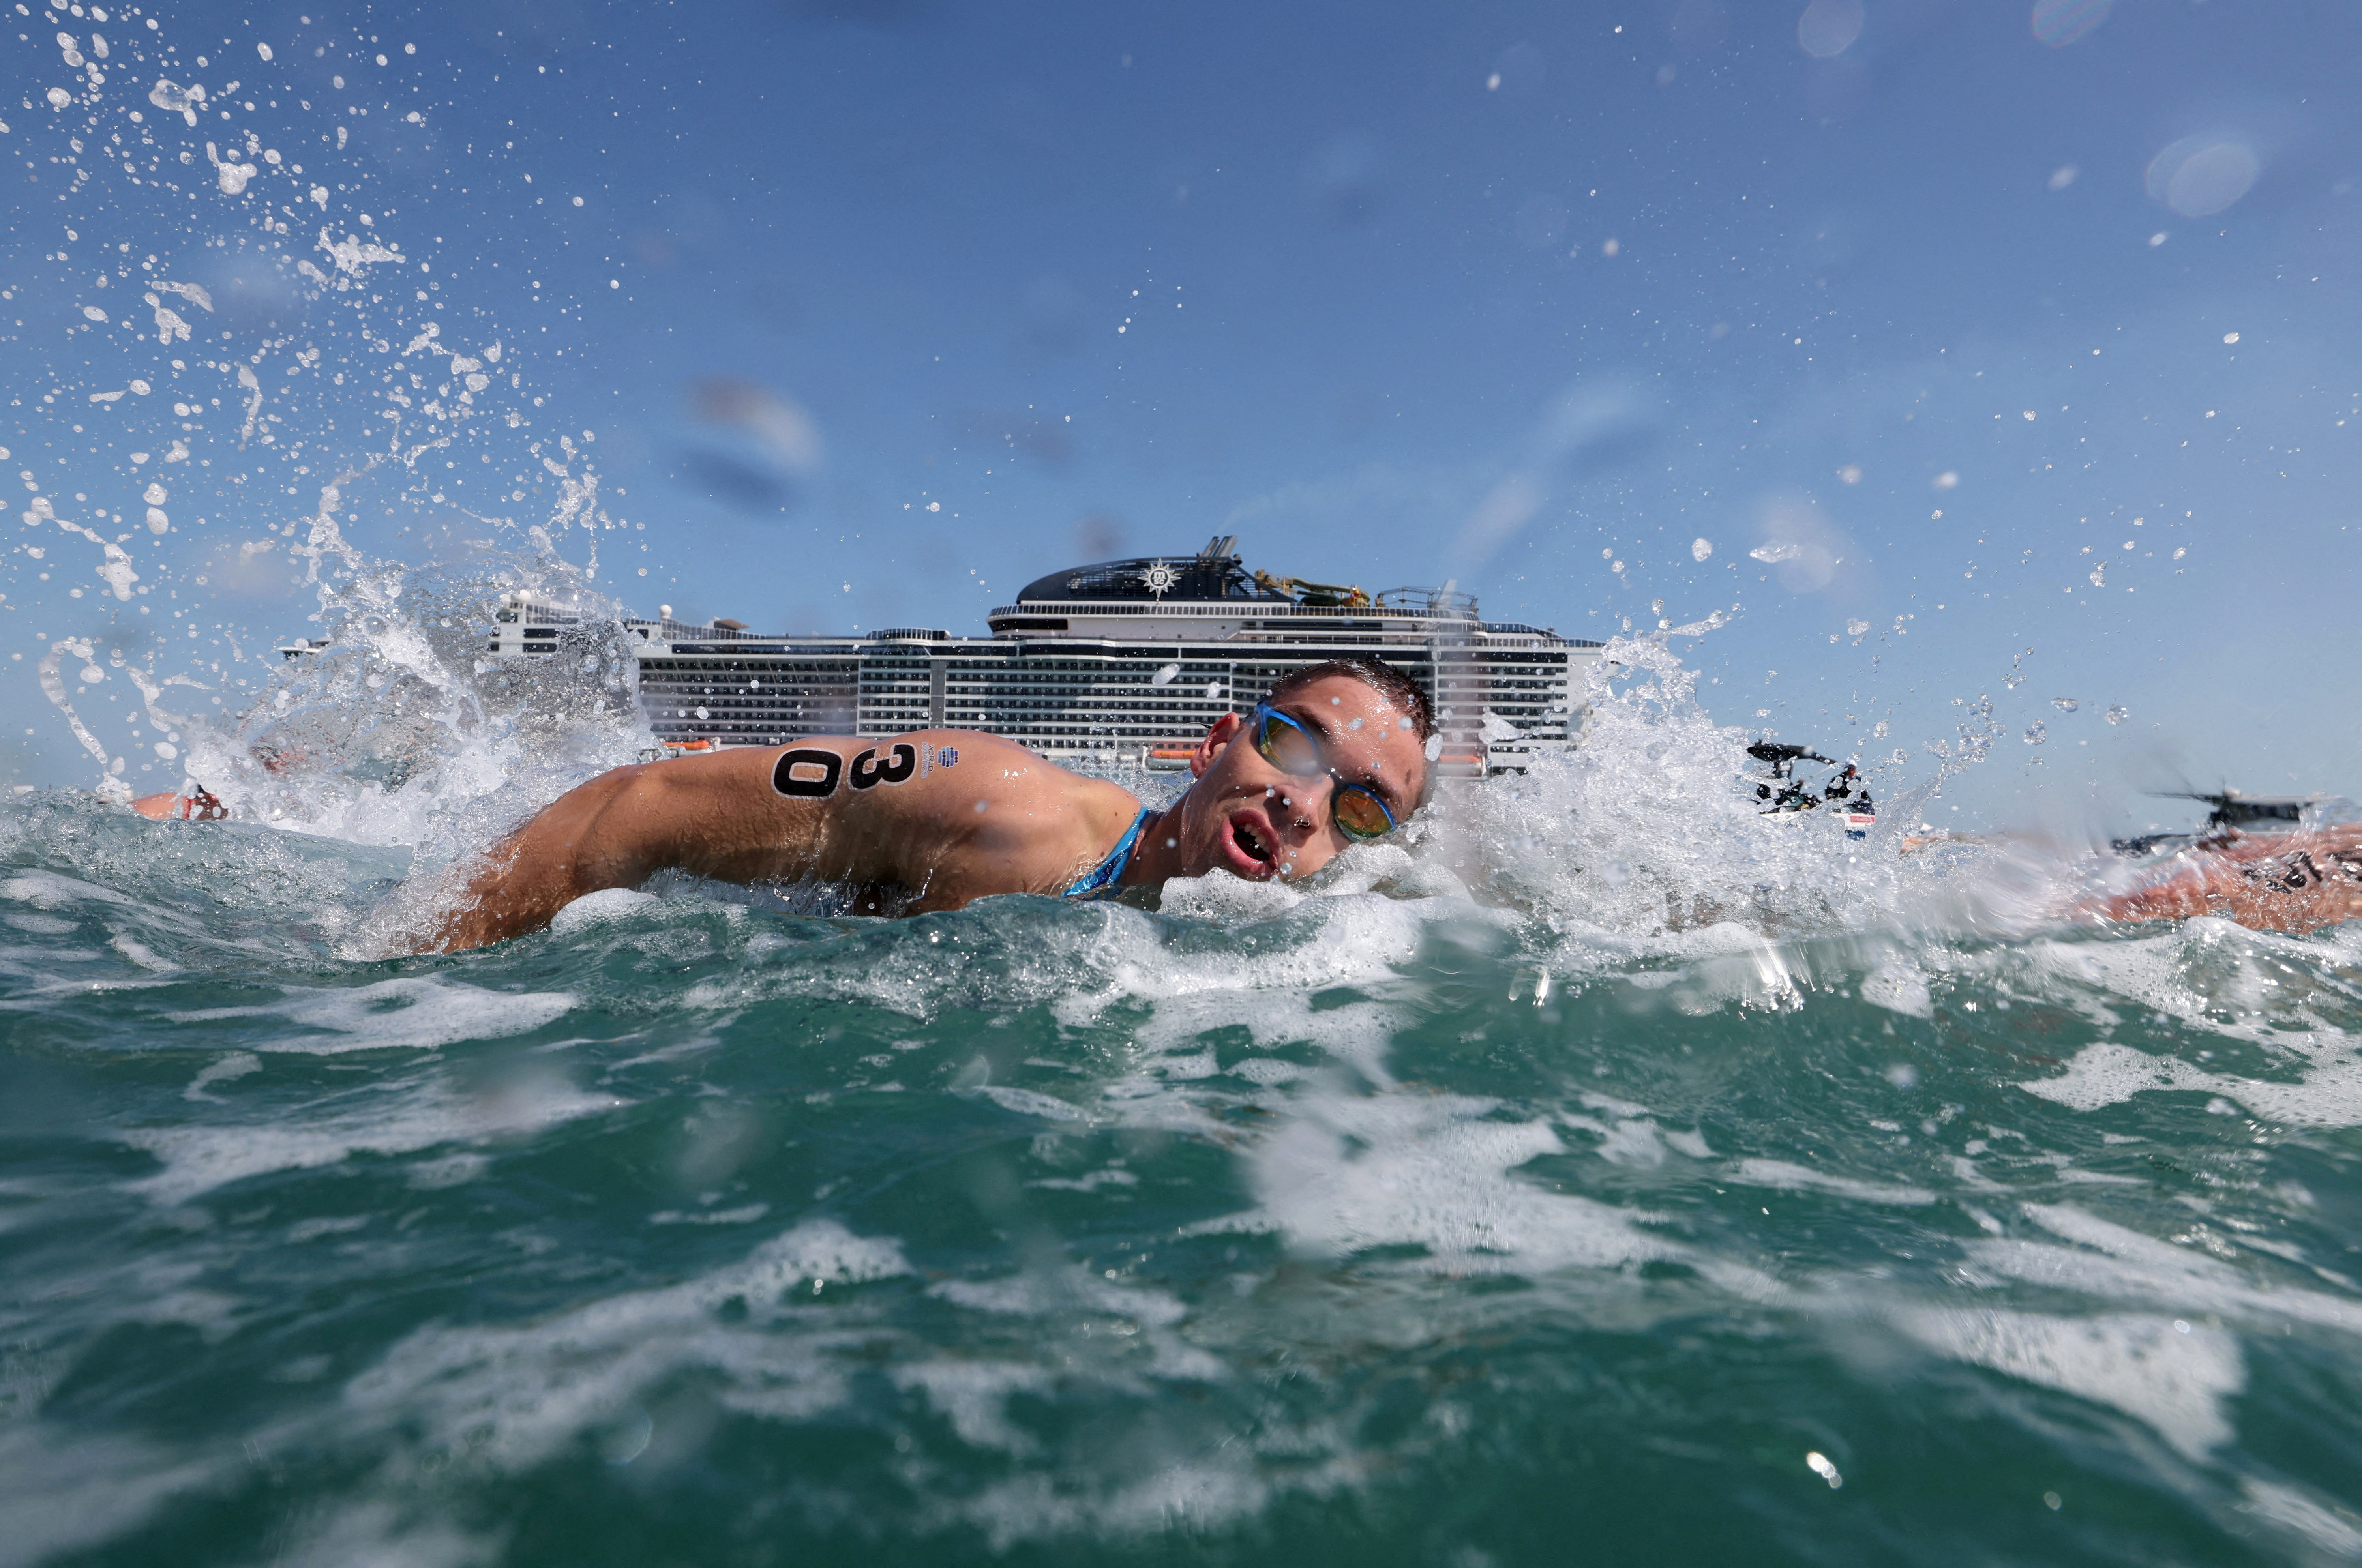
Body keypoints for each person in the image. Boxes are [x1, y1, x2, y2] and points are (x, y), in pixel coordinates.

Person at [417, 656, 1435, 953]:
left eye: (1359, 809)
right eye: (1294, 742)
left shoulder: (1320, 951)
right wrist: (411, 979)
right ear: (1219, 742)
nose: (1306, 804)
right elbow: (629, 808)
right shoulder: (1003, 810)